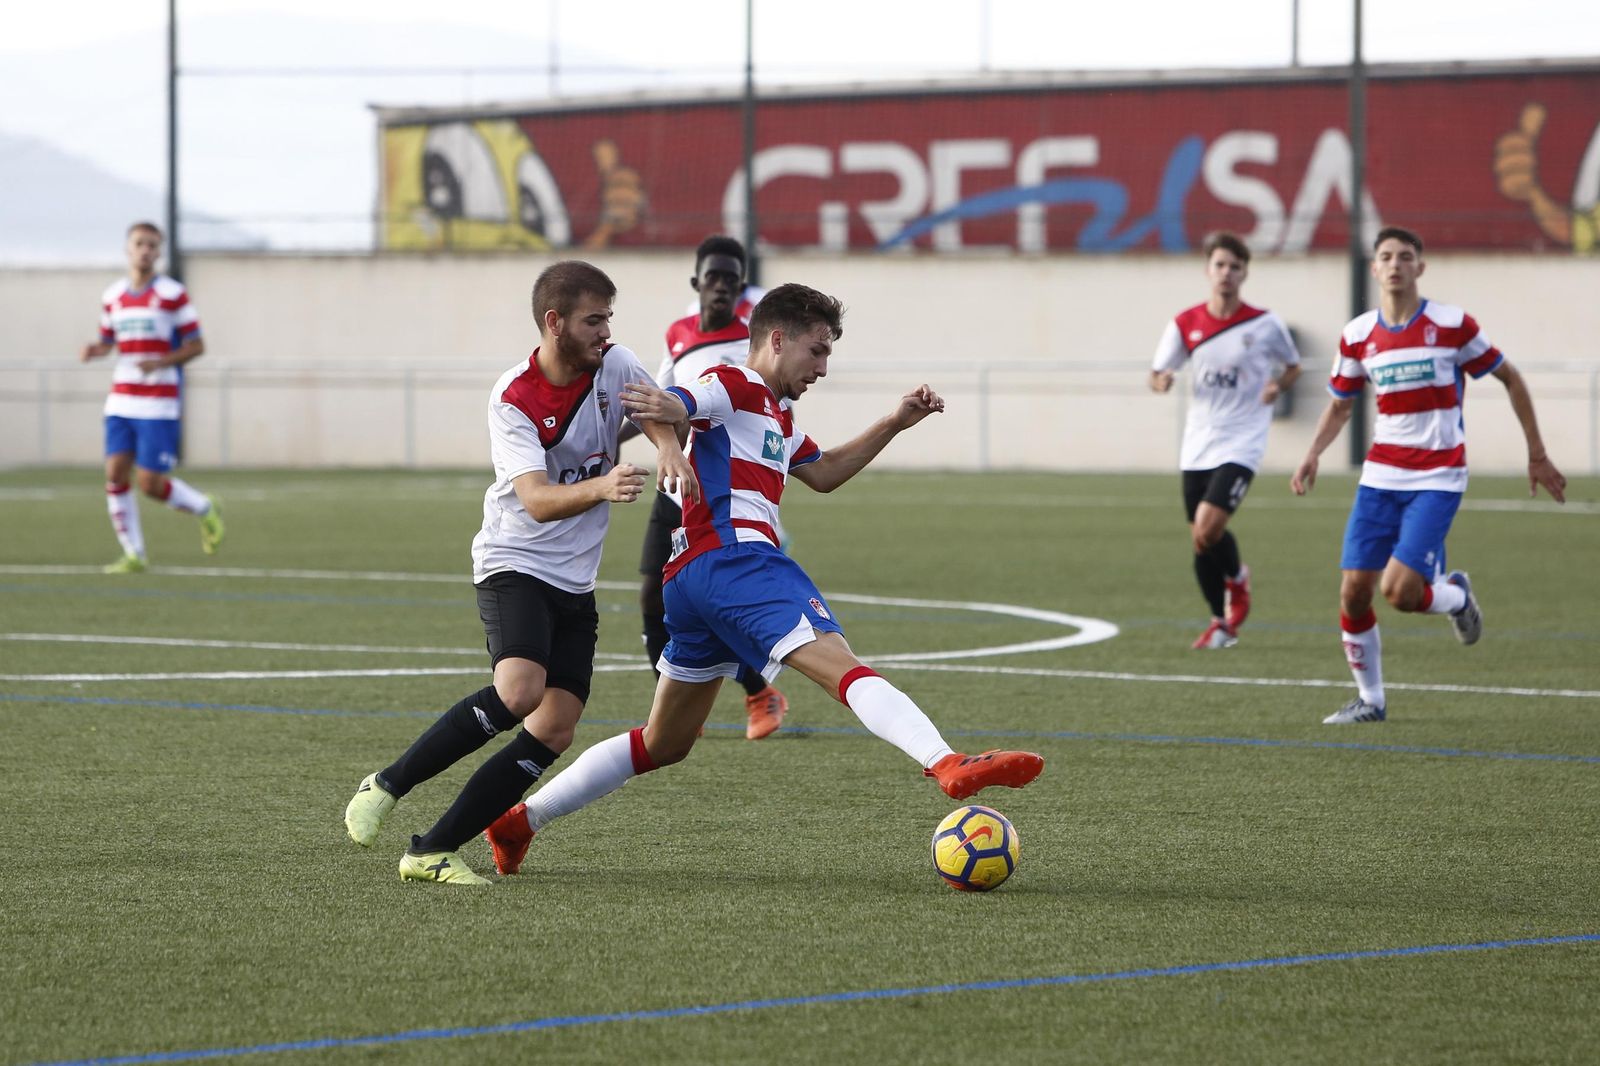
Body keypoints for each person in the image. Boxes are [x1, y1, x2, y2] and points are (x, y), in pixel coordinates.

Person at [473, 283, 1046, 884]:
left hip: (692, 580)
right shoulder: (737, 383)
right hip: (735, 560)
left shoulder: (776, 412)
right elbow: (682, 401)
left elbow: (823, 473)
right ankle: (946, 761)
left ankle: (520, 821)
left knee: (663, 742)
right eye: (816, 351)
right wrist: (668, 408)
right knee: (840, 664)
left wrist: (896, 423)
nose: (823, 368)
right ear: (776, 339)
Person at [342, 260, 695, 885]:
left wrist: (667, 443)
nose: (605, 331)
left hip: (574, 579)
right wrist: (602, 484)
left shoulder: (615, 363)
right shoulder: (514, 398)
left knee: (555, 728)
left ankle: (430, 850)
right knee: (520, 691)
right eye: (593, 319)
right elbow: (534, 498)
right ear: (553, 323)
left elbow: (655, 411)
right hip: (515, 560)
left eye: (609, 318)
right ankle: (388, 783)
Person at [1290, 226, 1567, 725]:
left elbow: (1511, 379)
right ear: (1374, 269)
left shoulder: (1453, 325)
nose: (1395, 264)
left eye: (1405, 256)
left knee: (1398, 594)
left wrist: (1537, 454)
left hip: (1438, 476)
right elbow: (1339, 405)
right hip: (1380, 477)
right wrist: (1312, 454)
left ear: (1421, 267)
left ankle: (1456, 594)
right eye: (1386, 257)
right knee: (1354, 592)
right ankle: (1370, 701)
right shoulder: (1357, 336)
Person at [629, 235, 789, 739]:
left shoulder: (750, 342)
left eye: (731, 278)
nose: (721, 285)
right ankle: (672, 712)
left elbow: (773, 410)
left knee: (723, 607)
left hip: (721, 493)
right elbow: (658, 399)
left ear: (741, 286)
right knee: (653, 596)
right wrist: (607, 440)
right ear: (696, 281)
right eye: (713, 276)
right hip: (675, 488)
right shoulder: (678, 334)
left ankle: (761, 692)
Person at [1150, 231, 1302, 649]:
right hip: (1198, 441)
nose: (1227, 273)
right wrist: (1161, 380)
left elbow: (1293, 366)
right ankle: (1221, 622)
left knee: (1208, 525)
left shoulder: (1264, 323)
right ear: (1208, 270)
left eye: (1235, 266)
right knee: (1201, 539)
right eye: (1220, 265)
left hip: (1242, 440)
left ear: (1244, 273)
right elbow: (1158, 371)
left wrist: (1278, 386)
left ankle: (1237, 580)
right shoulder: (1186, 323)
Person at [79, 221, 225, 572]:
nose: (145, 250)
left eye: (151, 245)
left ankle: (205, 507)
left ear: (159, 253)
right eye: (139, 244)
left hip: (158, 401)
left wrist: (161, 362)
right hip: (121, 398)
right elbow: (109, 340)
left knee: (150, 484)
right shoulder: (112, 296)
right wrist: (95, 350)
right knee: (115, 474)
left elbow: (197, 346)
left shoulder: (173, 294)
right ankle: (134, 554)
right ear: (128, 249)